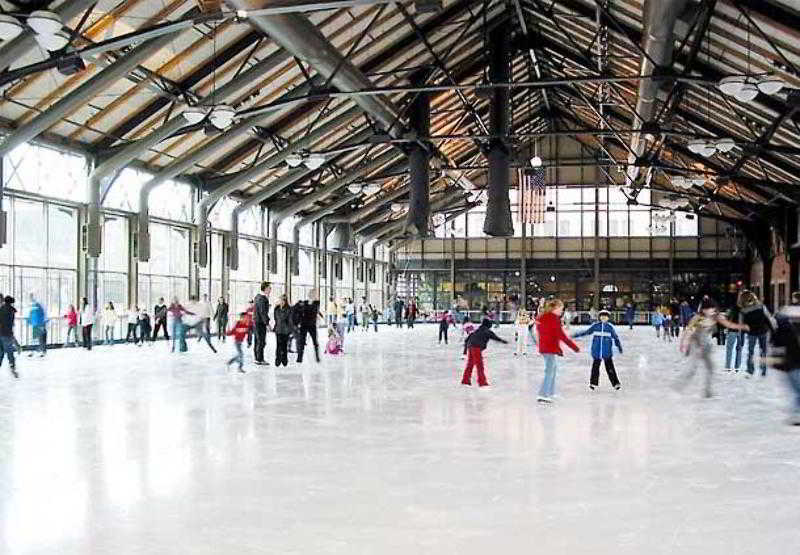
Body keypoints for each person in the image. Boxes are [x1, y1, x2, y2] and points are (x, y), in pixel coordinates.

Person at [678, 297, 749, 398]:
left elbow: (728, 324)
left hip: (705, 344)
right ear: (703, 310)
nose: (710, 311)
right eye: (707, 309)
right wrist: (683, 344)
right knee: (692, 369)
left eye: (712, 309)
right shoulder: (697, 318)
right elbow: (688, 331)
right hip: (695, 344)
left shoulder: (716, 316)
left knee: (710, 368)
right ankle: (680, 386)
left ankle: (707, 391)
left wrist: (741, 327)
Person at [536, 299, 580, 403]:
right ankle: (543, 394)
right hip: (549, 348)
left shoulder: (543, 317)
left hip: (546, 347)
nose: (562, 311)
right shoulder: (553, 319)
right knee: (549, 371)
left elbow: (550, 334)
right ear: (555, 308)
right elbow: (561, 335)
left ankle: (550, 392)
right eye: (561, 309)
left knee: (553, 370)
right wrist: (574, 347)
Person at [769, 291, 800, 425]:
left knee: (797, 388)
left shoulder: (784, 316)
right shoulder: (787, 318)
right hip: (793, 361)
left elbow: (775, 341)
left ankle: (797, 414)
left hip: (790, 362)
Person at [573, 309, 623, 390]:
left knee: (610, 368)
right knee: (595, 368)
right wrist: (576, 335)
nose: (603, 318)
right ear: (599, 317)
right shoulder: (596, 326)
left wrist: (619, 347)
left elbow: (616, 338)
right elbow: (586, 332)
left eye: (605, 317)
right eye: (602, 316)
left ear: (608, 318)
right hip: (596, 351)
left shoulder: (610, 327)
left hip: (607, 352)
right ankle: (593, 383)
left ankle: (615, 383)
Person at [460, 318, 508, 387]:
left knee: (470, 364)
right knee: (479, 365)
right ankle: (482, 382)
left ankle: (465, 380)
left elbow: (469, 337)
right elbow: (496, 338)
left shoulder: (478, 329)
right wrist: (503, 341)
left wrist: (466, 348)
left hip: (470, 346)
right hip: (476, 347)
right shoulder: (487, 331)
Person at [739, 290, 775, 378]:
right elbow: (767, 319)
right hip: (763, 331)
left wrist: (742, 336)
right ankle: (763, 370)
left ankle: (750, 370)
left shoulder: (743, 311)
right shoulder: (761, 307)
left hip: (752, 333)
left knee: (750, 352)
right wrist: (772, 329)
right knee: (763, 351)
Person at [296, 289, 323, 363]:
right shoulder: (304, 303)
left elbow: (314, 310)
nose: (313, 295)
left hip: (312, 325)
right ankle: (299, 358)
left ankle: (317, 357)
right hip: (304, 324)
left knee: (315, 341)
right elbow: (300, 311)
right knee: (302, 342)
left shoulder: (316, 303)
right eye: (312, 294)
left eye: (314, 294)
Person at [273, 294, 294, 367]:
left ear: (285, 301)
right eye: (280, 300)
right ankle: (278, 359)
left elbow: (290, 320)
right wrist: (275, 326)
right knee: (278, 345)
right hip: (278, 329)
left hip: (286, 330)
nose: (281, 301)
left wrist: (291, 330)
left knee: (284, 345)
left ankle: (284, 359)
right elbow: (275, 319)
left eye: (283, 300)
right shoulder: (276, 309)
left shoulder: (289, 309)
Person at [0, 296, 19, 378]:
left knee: (1, 352)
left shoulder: (2, 309)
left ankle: (12, 367)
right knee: (9, 352)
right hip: (7, 334)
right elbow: (10, 323)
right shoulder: (11, 310)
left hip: (1, 333)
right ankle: (12, 367)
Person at [253, 282, 271, 365]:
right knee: (261, 341)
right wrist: (267, 324)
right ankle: (260, 359)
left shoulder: (257, 297)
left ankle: (257, 358)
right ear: (265, 288)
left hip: (256, 321)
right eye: (269, 288)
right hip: (260, 323)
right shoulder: (262, 298)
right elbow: (262, 312)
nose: (270, 290)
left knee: (257, 340)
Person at [724, 296, 744, 372]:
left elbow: (728, 318)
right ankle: (736, 367)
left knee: (730, 349)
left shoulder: (733, 309)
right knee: (738, 349)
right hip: (739, 331)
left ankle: (729, 367)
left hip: (733, 331)